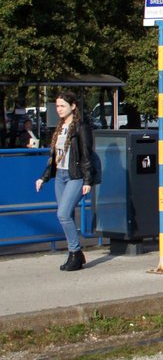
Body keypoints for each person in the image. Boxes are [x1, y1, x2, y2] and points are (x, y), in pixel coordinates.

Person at [34, 91, 95, 272]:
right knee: (66, 216)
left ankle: (75, 252)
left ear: (73, 106)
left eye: (62, 106)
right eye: (57, 106)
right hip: (60, 176)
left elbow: (86, 155)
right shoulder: (60, 128)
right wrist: (43, 177)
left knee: (62, 214)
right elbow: (54, 158)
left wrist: (87, 180)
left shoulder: (81, 128)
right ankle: (76, 254)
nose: (59, 109)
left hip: (75, 176)